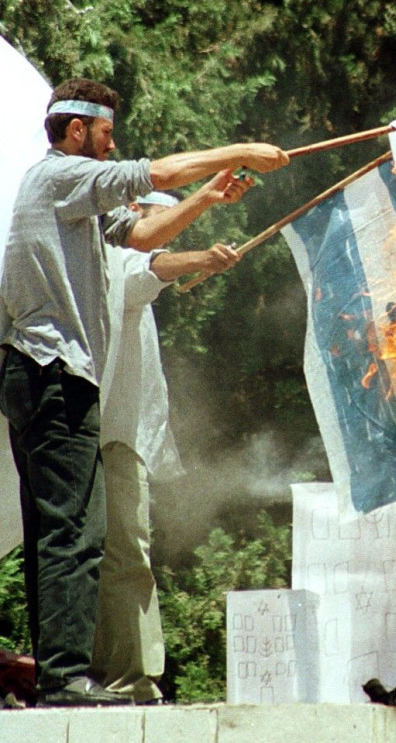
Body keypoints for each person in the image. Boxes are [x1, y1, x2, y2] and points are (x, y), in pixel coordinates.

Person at [0, 77, 288, 706]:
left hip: (40, 377)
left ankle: (60, 675)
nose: (113, 145)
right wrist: (239, 151)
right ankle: (66, 680)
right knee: (75, 534)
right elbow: (152, 175)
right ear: (78, 131)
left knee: (68, 533)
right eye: (106, 133)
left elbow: (142, 239)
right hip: (54, 375)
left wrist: (209, 197)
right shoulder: (60, 177)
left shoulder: (68, 199)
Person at [90, 191, 240, 703]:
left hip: (112, 434)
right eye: (164, 220)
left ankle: (103, 674)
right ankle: (132, 682)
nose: (170, 233)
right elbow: (151, 268)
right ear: (135, 214)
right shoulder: (118, 257)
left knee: (109, 556)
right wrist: (204, 258)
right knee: (128, 555)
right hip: (109, 437)